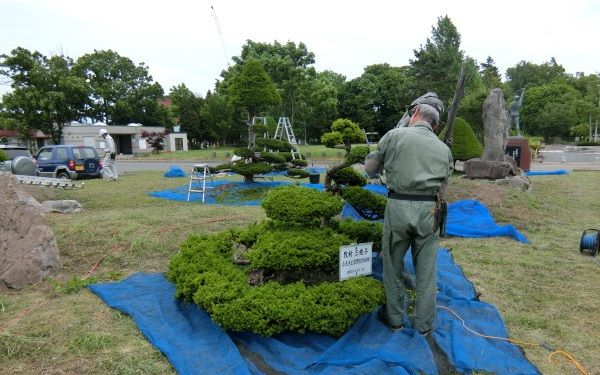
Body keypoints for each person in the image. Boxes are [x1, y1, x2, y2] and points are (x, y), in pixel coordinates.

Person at [365, 94, 453, 335]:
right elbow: (444, 185)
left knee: (392, 265)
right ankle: (424, 324)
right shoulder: (443, 149)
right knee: (426, 271)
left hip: (398, 207)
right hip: (429, 211)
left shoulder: (393, 136)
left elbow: (370, 170)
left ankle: (395, 319)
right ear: (435, 125)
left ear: (414, 114)